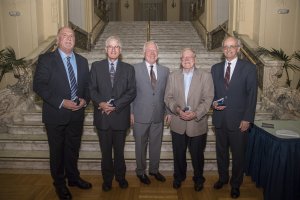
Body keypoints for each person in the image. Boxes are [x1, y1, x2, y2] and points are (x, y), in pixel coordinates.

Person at [33, 26, 92, 200]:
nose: (68, 38)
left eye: (72, 36)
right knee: (57, 152)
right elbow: (39, 85)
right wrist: (61, 102)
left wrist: (85, 100)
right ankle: (60, 184)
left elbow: (88, 87)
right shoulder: (46, 59)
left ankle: (73, 178)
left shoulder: (82, 61)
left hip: (77, 114)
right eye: (64, 35)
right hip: (55, 114)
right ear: (58, 40)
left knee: (73, 149)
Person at [211, 36, 257, 199]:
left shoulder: (249, 68)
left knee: (238, 155)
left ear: (238, 48)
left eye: (232, 46)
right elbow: (213, 94)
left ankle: (236, 184)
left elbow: (252, 96)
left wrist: (247, 118)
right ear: (222, 50)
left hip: (239, 122)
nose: (228, 49)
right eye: (225, 47)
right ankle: (223, 178)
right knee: (221, 152)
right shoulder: (215, 68)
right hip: (220, 119)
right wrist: (213, 103)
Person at [89, 36, 136, 192]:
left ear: (120, 50)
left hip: (120, 116)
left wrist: (115, 105)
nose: (113, 49)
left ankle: (121, 177)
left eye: (116, 47)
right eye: (110, 46)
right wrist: (101, 103)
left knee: (120, 151)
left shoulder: (129, 69)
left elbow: (132, 92)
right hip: (102, 117)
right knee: (106, 152)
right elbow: (92, 89)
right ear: (105, 49)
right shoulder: (96, 67)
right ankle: (107, 180)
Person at [164, 48, 214, 191]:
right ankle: (179, 177)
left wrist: (195, 113)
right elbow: (168, 97)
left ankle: (199, 178)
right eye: (183, 58)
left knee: (197, 155)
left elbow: (208, 99)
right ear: (180, 60)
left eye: (189, 57)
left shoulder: (205, 76)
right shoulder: (173, 76)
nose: (186, 60)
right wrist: (178, 110)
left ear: (195, 58)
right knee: (178, 154)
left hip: (197, 123)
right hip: (178, 122)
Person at [131, 41, 170, 185]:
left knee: (156, 144)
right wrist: (130, 112)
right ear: (143, 53)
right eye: (149, 50)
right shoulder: (134, 69)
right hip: (140, 115)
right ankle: (140, 171)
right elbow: (130, 93)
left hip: (158, 115)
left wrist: (168, 112)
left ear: (158, 54)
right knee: (140, 146)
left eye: (154, 51)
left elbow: (167, 94)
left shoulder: (165, 71)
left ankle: (154, 169)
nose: (152, 53)